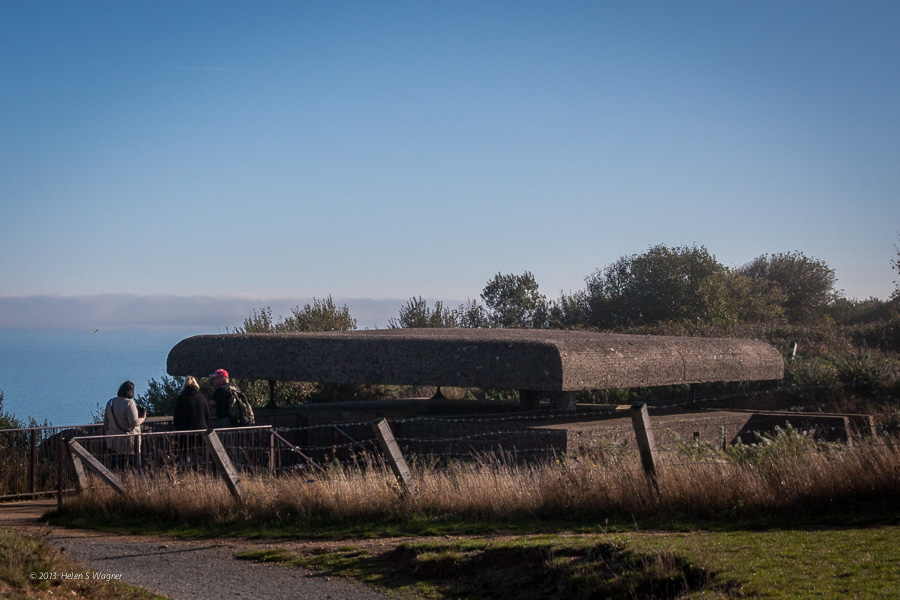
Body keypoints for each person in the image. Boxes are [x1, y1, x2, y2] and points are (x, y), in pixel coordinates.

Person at [104, 380, 145, 470]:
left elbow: (106, 422)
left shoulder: (110, 402)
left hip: (113, 441)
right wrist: (143, 418)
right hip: (129, 442)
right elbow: (134, 422)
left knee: (115, 468)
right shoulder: (129, 403)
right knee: (134, 468)